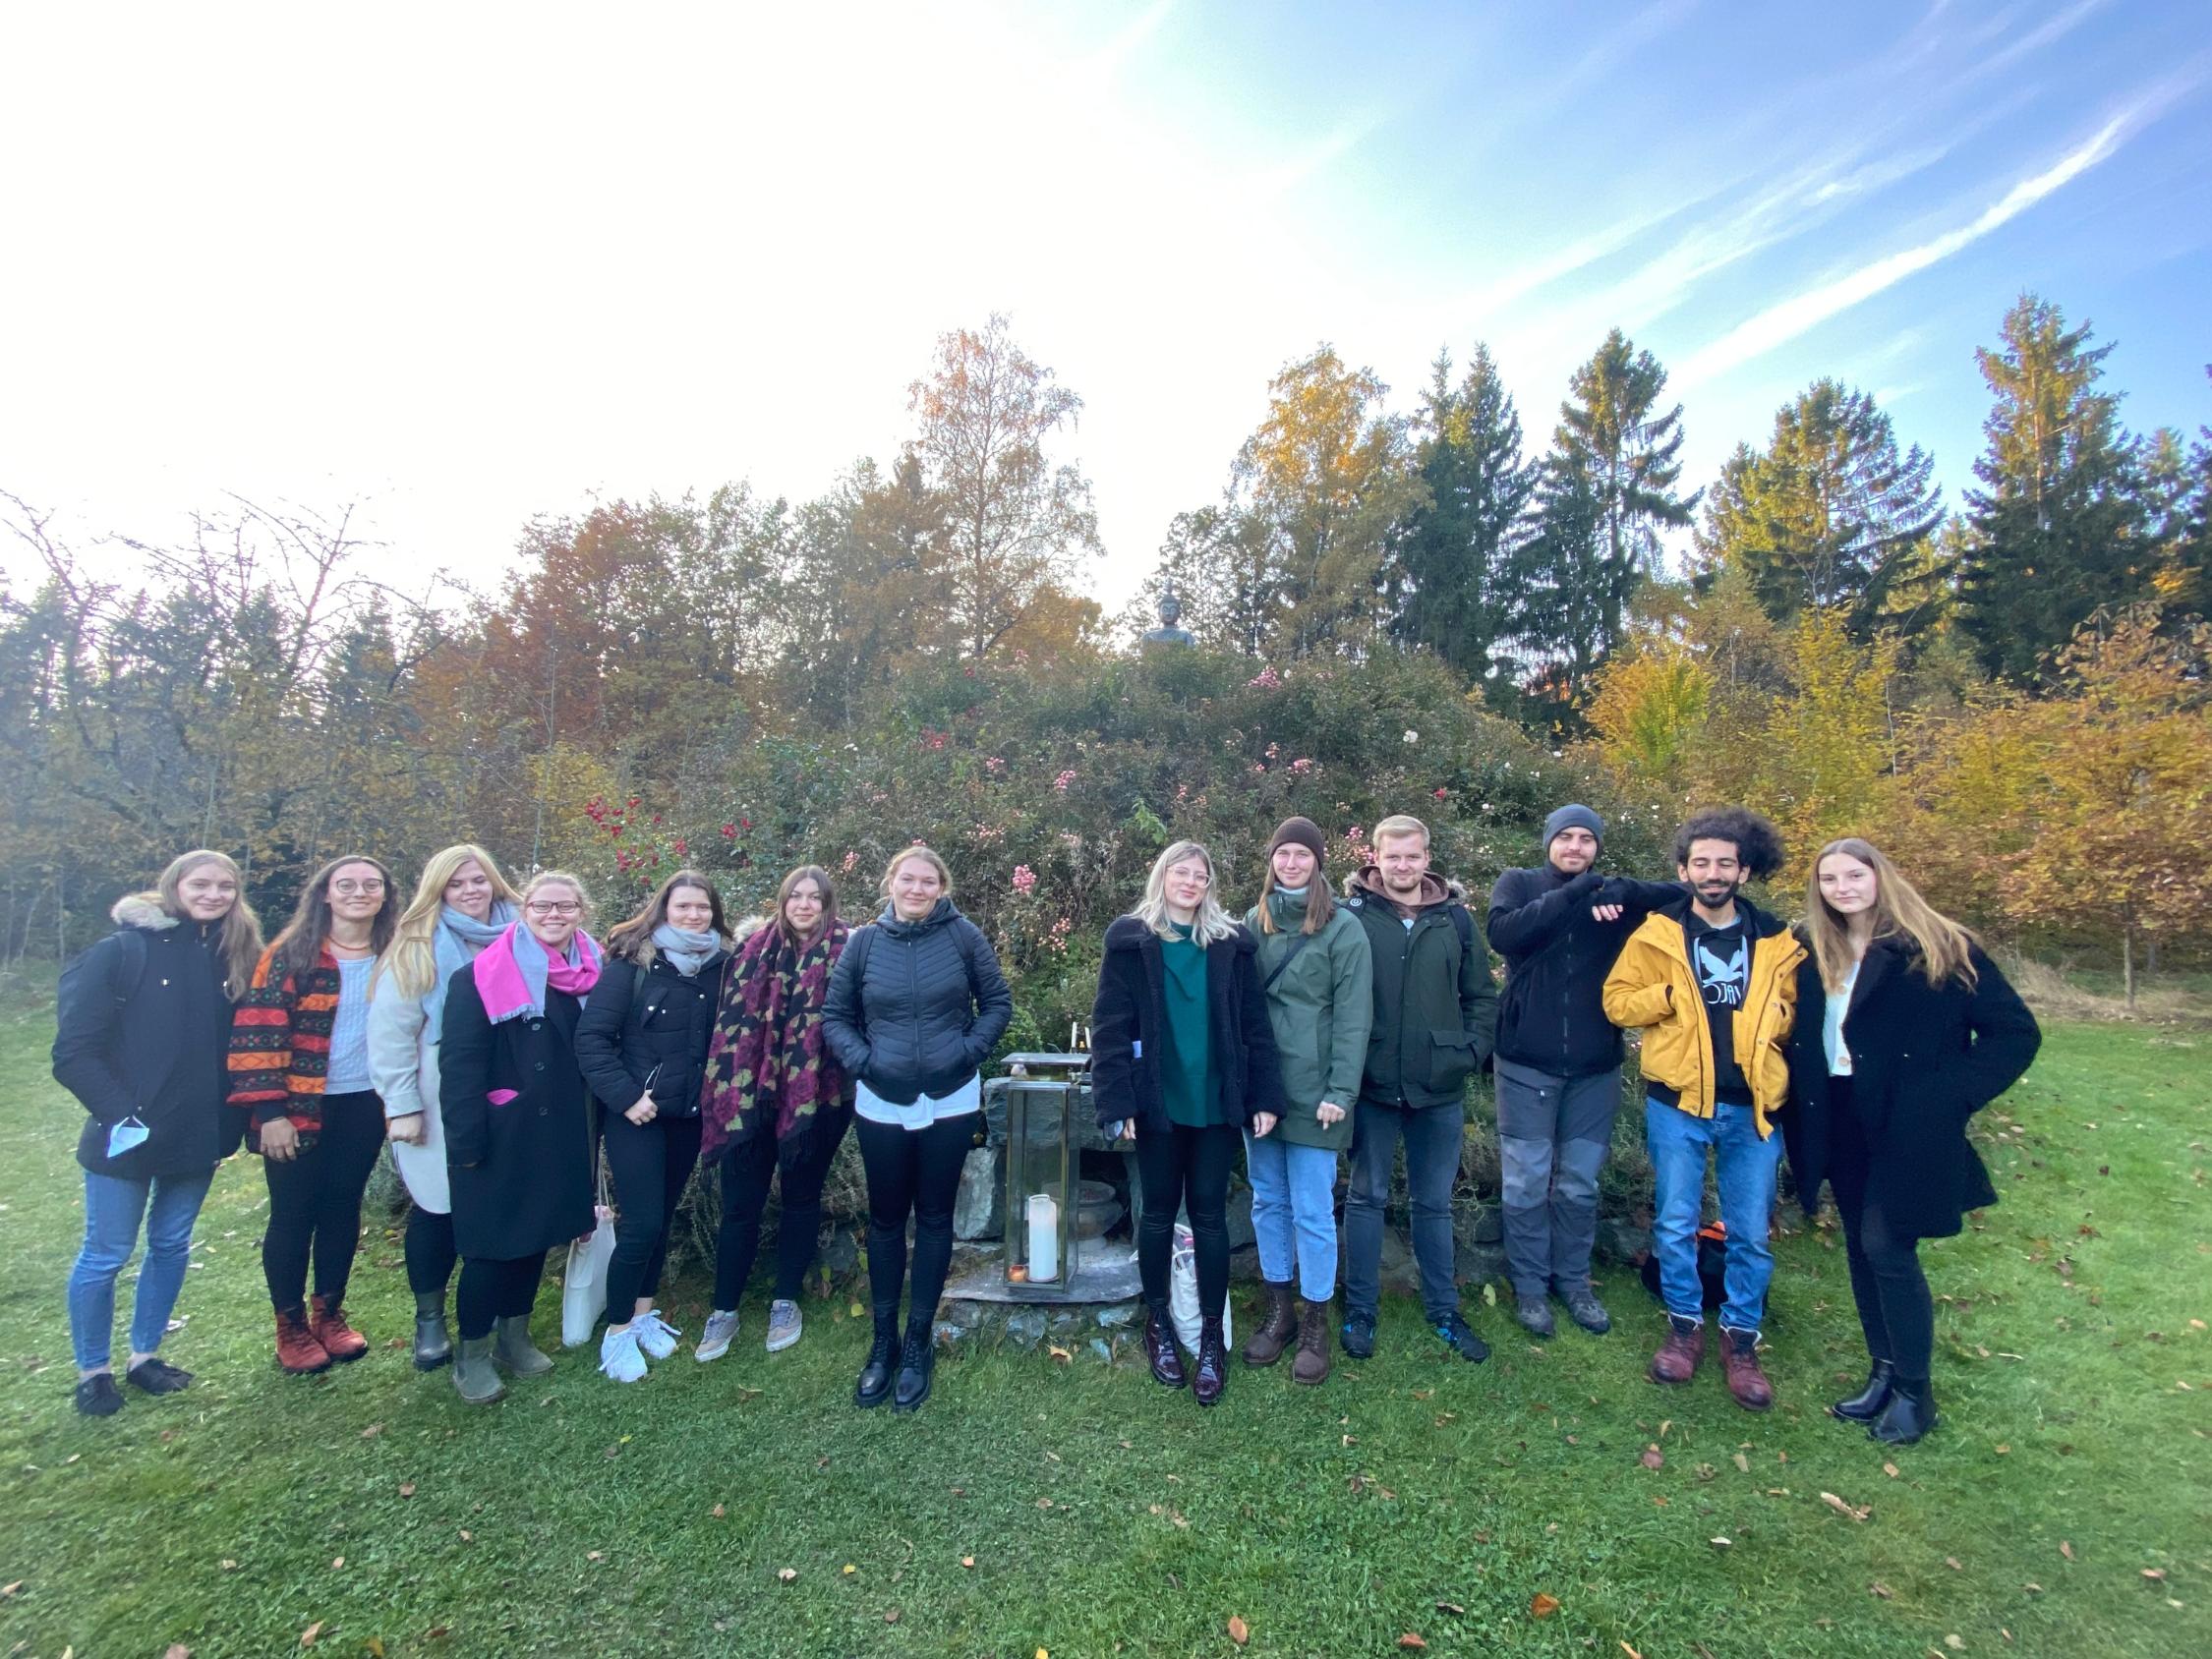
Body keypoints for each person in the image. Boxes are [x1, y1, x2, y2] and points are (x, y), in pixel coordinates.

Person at [1787, 838, 2040, 1445]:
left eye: (1854, 875)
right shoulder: (1810, 945)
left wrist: (1949, 1095)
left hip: (1907, 1120)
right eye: (1829, 878)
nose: (1842, 887)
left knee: (1887, 1245)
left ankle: (1915, 1394)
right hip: (1839, 1115)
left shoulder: (1937, 945)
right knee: (1858, 1243)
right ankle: (1883, 1371)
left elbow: (2014, 1033)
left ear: (1881, 877)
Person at [1602, 808, 1801, 1410]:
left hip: (1754, 1107)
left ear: (1742, 868)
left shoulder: (1776, 939)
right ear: (1683, 868)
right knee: (1674, 1221)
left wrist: (1778, 1021)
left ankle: (1741, 1340)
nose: (1712, 873)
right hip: (1680, 1103)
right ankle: (1684, 1326)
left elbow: (1797, 1008)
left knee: (1749, 1231)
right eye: (1700, 862)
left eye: (1724, 862)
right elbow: (1617, 1001)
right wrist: (1666, 997)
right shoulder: (1657, 934)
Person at [54, 852, 264, 1416]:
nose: (214, 894)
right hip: (127, 1135)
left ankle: (144, 1356)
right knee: (106, 1253)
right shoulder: (122, 952)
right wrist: (122, 1116)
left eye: (226, 885)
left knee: (170, 1245)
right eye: (201, 883)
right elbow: (73, 1052)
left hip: (198, 1137)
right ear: (174, 886)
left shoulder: (233, 956)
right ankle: (92, 1370)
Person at [1091, 840, 1284, 1406]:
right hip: (1157, 1099)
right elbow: (1109, 1024)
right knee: (1155, 1213)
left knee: (1208, 1216)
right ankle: (1159, 1325)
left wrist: (1265, 1096)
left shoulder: (1230, 945)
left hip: (1216, 1101)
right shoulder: (1131, 941)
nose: (1191, 881)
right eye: (1182, 872)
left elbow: (1255, 1026)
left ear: (1210, 885)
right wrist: (1116, 1103)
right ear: (1163, 876)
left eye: (1201, 875)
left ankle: (1209, 1337)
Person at [823, 844, 1012, 1414]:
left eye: (928, 881)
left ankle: (918, 1343)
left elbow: (997, 1003)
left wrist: (966, 1056)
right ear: (890, 883)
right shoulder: (863, 943)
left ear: (941, 887)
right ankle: (883, 1341)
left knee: (933, 1218)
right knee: (884, 1220)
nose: (917, 889)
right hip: (881, 1100)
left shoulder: (963, 937)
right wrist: (867, 1062)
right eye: (908, 879)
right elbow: (835, 1016)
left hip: (951, 1099)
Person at [1486, 804, 1679, 1339]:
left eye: (1585, 839)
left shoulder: (1612, 898)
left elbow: (1686, 896)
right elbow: (1504, 934)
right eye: (1566, 837)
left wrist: (1620, 890)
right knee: (1525, 1182)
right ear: (1548, 841)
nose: (1575, 847)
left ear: (1597, 845)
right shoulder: (1520, 883)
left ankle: (1573, 1283)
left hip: (1595, 1066)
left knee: (1577, 1184)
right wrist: (1574, 894)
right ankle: (1529, 1289)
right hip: (1525, 1061)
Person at [228, 854, 400, 1374]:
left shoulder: (394, 952)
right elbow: (258, 1033)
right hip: (298, 1103)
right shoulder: (293, 953)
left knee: (341, 1207)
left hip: (365, 1101)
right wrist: (270, 1111)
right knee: (292, 1213)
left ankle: (329, 1312)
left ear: (386, 895)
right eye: (345, 884)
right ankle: (291, 1325)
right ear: (324, 893)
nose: (358, 892)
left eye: (371, 884)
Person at [439, 870, 604, 1403]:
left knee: (536, 1235)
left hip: (562, 1129)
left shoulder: (593, 971)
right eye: (542, 906)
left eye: (566, 906)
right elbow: (460, 1066)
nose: (554, 916)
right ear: (524, 909)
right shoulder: (480, 976)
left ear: (581, 911)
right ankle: (473, 1354)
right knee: (491, 1247)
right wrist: (465, 1142)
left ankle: (515, 1335)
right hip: (502, 1131)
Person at [1340, 816, 1498, 1363]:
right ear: (1374, 857)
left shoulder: (1454, 920)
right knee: (1365, 1198)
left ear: (1427, 857)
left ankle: (1444, 1311)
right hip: (1374, 1081)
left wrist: (1471, 1053)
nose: (1402, 866)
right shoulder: (1352, 916)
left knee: (1433, 1203)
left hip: (1439, 1086)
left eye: (1412, 856)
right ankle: (1360, 1311)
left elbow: (1481, 996)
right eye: (1393, 856)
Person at [368, 844, 522, 1371]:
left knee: (506, 1206)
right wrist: (402, 1105)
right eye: (457, 885)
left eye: (479, 880)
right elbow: (390, 1035)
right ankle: (429, 1320)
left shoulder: (522, 934)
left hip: (516, 1089)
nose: (471, 891)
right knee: (440, 1207)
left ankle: (504, 1318)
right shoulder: (416, 947)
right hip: (439, 1093)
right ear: (438, 890)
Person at [576, 869, 731, 1383]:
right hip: (636, 1118)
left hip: (688, 1117)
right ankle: (617, 1332)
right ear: (664, 909)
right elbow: (592, 1041)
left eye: (702, 907)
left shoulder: (721, 967)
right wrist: (625, 1098)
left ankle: (643, 1314)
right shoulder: (632, 964)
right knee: (640, 1223)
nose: (693, 915)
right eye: (683, 906)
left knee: (661, 1217)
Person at [698, 867, 854, 1361]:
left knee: (801, 1199)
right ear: (782, 901)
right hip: (747, 1097)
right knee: (739, 1205)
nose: (804, 905)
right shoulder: (748, 951)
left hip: (819, 1096)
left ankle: (785, 1300)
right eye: (795, 896)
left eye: (814, 898)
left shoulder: (850, 951)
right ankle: (724, 1309)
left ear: (828, 904)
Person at [1240, 817, 1372, 1386]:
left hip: (1317, 1094)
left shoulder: (1344, 930)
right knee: (1269, 1200)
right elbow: (1239, 1009)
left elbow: (1353, 1018)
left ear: (1318, 861)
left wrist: (1341, 1091)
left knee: (1313, 1211)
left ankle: (1317, 1318)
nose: (1290, 863)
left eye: (1301, 854)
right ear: (1271, 860)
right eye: (1282, 854)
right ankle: (1280, 1311)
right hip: (1262, 1091)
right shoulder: (1253, 922)